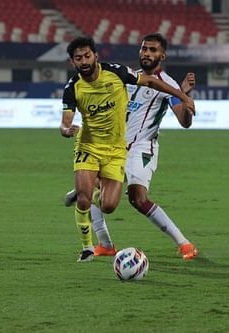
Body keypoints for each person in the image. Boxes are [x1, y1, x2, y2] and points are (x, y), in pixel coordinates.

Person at [60, 36, 195, 262]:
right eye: (144, 49)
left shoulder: (167, 83)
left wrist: (184, 93)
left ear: (162, 56)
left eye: (153, 50)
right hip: (115, 146)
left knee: (137, 197)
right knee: (100, 195)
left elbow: (184, 121)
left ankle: (184, 243)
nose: (146, 53)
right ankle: (104, 244)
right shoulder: (128, 76)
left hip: (142, 147)